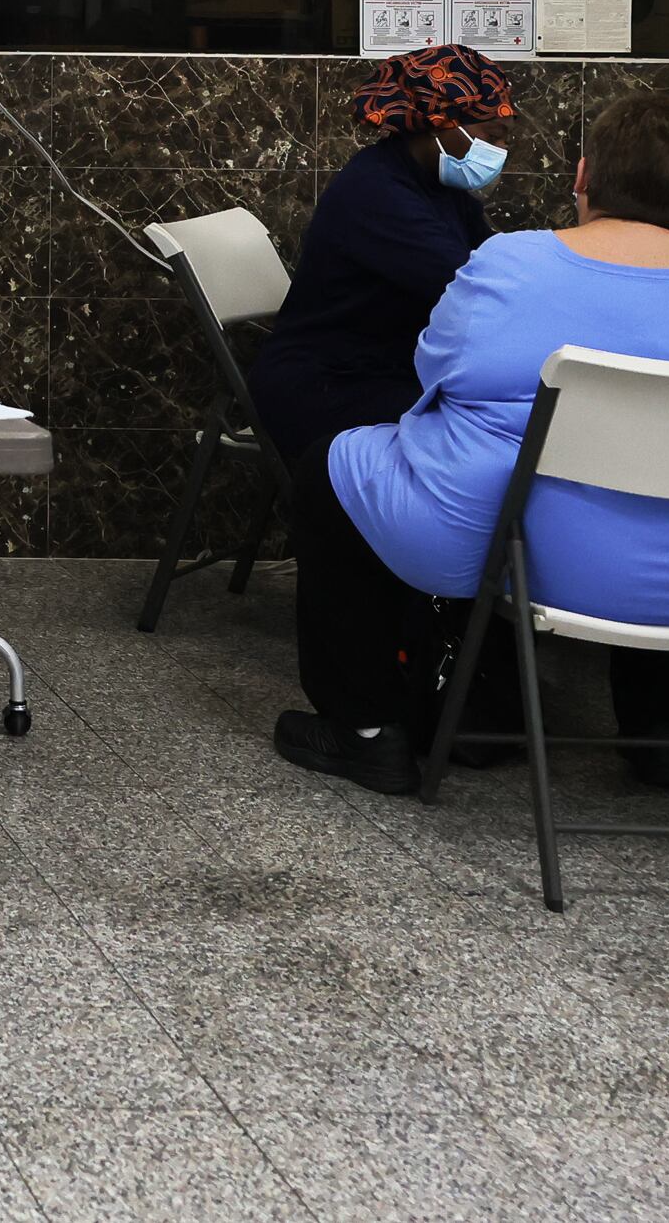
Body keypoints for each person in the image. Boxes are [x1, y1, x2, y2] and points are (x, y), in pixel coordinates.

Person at [307, 89, 669, 794]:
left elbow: (433, 372)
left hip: (548, 562)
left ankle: (366, 732)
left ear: (581, 177)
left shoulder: (508, 267)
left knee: (333, 467)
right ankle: (665, 742)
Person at [247, 44, 516, 787]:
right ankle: (383, 704)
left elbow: (495, 276)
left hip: (394, 375)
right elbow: (475, 291)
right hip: (328, 384)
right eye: (482, 127)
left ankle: (461, 689)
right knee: (437, 467)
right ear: (432, 128)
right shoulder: (379, 195)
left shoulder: (443, 187)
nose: (497, 144)